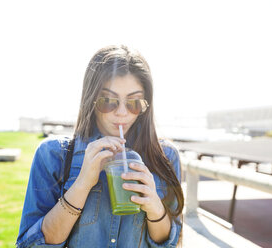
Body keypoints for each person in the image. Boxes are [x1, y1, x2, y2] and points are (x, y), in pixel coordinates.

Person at [16, 45, 184, 248]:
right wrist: (82, 184)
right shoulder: (53, 155)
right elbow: (29, 245)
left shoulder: (165, 156)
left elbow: (171, 243)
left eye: (134, 102)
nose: (122, 112)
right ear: (91, 99)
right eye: (108, 101)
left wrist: (156, 209)